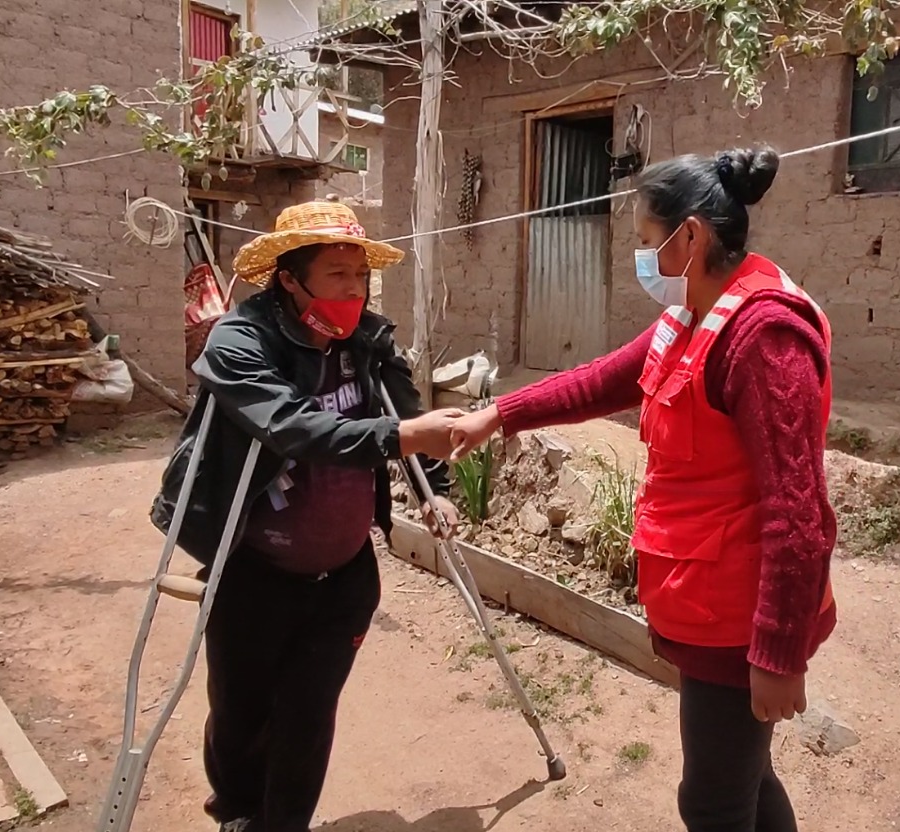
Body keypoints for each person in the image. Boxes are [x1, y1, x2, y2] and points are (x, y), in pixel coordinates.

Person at [450, 147, 837, 832]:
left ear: (690, 236)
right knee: (747, 778)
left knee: (713, 802)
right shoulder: (693, 315)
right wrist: (499, 414)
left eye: (646, 242)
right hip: (701, 599)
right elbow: (602, 380)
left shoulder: (763, 338)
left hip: (735, 620)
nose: (641, 259)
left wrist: (778, 653)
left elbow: (798, 513)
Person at [150, 201, 463, 832]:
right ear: (290, 280)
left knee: (308, 712)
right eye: (337, 275)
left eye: (360, 275)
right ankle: (236, 806)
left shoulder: (368, 338)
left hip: (345, 572)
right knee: (241, 713)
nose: (353, 289)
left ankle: (281, 823)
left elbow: (404, 410)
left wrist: (436, 485)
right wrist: (402, 438)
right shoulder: (240, 341)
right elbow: (293, 427)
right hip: (254, 567)